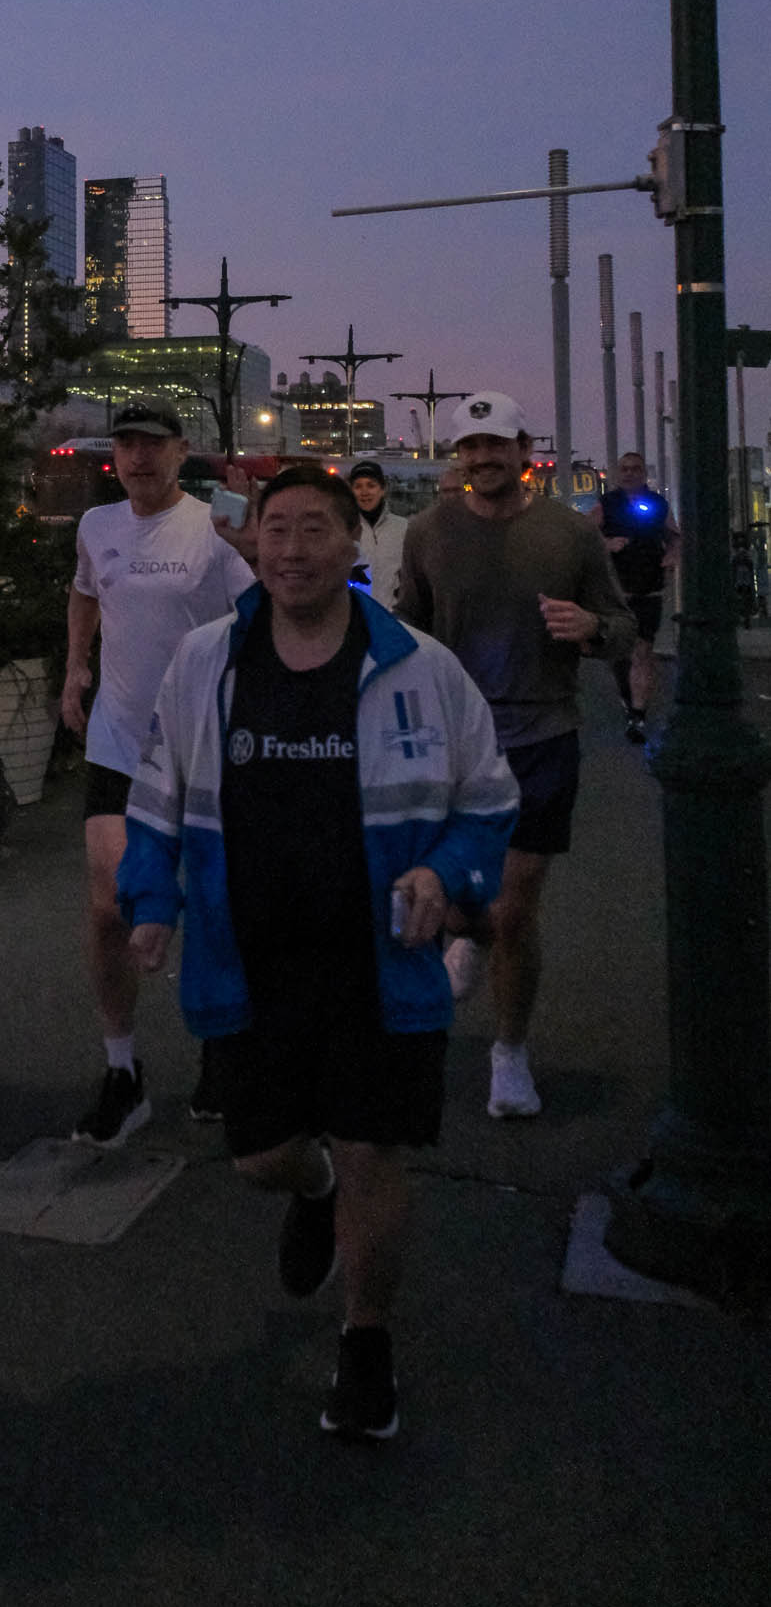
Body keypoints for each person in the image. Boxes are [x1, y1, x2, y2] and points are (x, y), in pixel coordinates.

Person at [121, 464, 516, 1440]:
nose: (291, 549)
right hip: (247, 960)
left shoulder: (420, 668)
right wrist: (150, 901)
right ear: (251, 542)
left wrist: (443, 876)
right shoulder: (205, 661)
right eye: (275, 530)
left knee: (371, 1145)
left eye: (313, 530)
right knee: (259, 1157)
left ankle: (365, 1342)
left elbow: (487, 801)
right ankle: (311, 1186)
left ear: (351, 546)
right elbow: (155, 795)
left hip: (376, 962)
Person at [396, 392, 633, 1121]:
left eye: (495, 444)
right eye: (469, 447)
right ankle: (466, 935)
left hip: (540, 736)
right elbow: (409, 630)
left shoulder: (569, 534)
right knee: (458, 908)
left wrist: (593, 627)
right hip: (453, 745)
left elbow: (622, 627)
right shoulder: (428, 532)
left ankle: (509, 1053)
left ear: (524, 449)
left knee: (514, 909)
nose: (482, 458)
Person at [62, 401, 255, 1143]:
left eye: (153, 445)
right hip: (119, 742)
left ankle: (221, 1046)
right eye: (126, 444)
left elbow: (264, 613)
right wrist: (76, 668)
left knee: (214, 903)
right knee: (110, 906)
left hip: (204, 744)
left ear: (181, 451)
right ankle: (122, 1069)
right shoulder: (96, 525)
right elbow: (85, 592)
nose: (138, 457)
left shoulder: (215, 528)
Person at [590, 452, 678, 742]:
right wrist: (607, 543)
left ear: (644, 473)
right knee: (618, 654)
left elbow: (674, 535)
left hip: (648, 588)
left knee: (642, 650)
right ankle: (628, 698)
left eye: (635, 469)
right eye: (625, 469)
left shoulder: (657, 504)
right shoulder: (607, 504)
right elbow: (585, 534)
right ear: (618, 473)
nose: (629, 474)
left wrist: (672, 555)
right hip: (616, 591)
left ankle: (638, 715)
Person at [349, 460, 405, 610]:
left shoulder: (402, 528)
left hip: (391, 617)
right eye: (358, 486)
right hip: (355, 616)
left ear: (382, 489)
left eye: (371, 485)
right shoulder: (343, 528)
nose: (364, 492)